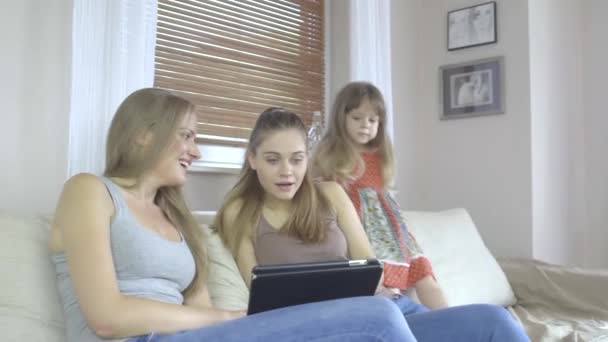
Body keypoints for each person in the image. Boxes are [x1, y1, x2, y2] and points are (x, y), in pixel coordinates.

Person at [48, 88, 419, 342]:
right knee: (379, 319)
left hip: (196, 336)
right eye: (188, 136)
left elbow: (201, 308)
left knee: (385, 316)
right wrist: (226, 319)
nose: (196, 152)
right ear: (145, 136)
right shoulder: (90, 191)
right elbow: (106, 316)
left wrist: (226, 321)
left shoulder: (176, 218)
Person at [215, 107, 531, 342]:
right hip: (329, 325)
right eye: (273, 160)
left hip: (386, 308)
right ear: (253, 158)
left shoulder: (330, 193)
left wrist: (373, 286)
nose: (287, 171)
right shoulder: (240, 211)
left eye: (297, 159)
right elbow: (258, 294)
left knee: (494, 320)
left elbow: (368, 263)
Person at [311, 81, 449, 310]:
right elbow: (317, 194)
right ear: (340, 118)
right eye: (357, 118)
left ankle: (453, 324)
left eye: (373, 120)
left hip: (394, 232)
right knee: (384, 288)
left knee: (426, 277)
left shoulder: (380, 154)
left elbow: (384, 198)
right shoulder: (328, 155)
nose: (365, 125)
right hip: (360, 232)